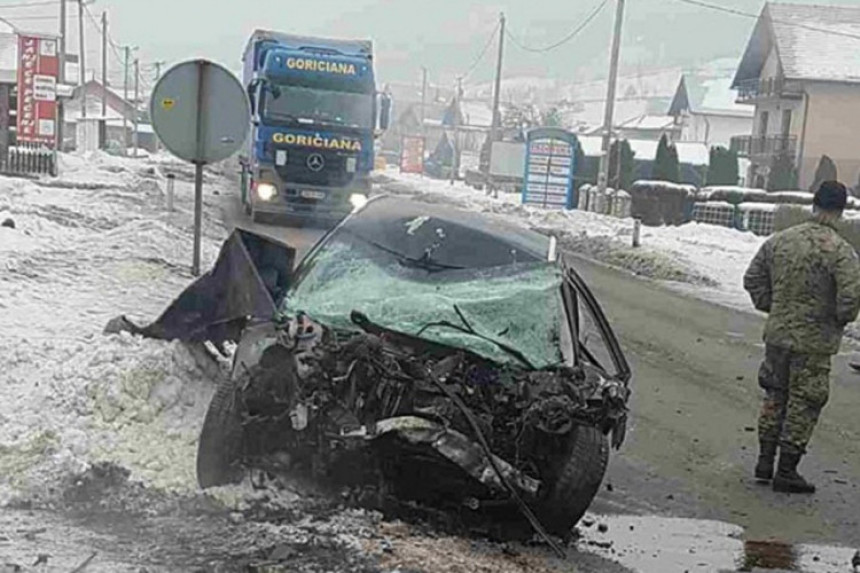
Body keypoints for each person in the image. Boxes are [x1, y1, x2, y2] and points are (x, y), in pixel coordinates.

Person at [743, 180, 860, 494]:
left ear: (814, 203)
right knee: (804, 402)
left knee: (774, 396)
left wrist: (775, 307)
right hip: (815, 342)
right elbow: (850, 300)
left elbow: (752, 278)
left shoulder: (780, 241)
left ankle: (764, 462)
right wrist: (836, 319)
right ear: (842, 209)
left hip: (778, 336)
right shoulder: (841, 252)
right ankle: (787, 470)